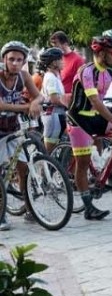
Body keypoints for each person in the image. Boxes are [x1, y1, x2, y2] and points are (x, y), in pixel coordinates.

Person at [67, 36, 112, 221]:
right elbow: (95, 101)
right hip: (79, 118)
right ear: (101, 53)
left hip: (97, 115)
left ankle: (109, 174)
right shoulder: (87, 71)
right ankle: (88, 207)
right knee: (83, 162)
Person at [0, 42, 43, 230]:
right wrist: (27, 106)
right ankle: (1, 215)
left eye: (19, 60)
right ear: (4, 60)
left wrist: (36, 103)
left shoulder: (24, 76)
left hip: (13, 127)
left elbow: (39, 96)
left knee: (23, 167)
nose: (15, 63)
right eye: (11, 59)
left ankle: (29, 207)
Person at [39, 47, 67, 154]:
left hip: (58, 115)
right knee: (49, 151)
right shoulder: (50, 77)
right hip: (52, 116)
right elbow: (54, 99)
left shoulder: (56, 77)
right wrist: (69, 104)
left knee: (56, 149)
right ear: (54, 62)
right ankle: (43, 170)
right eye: (60, 59)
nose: (63, 61)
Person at [49, 31, 85, 99]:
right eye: (52, 44)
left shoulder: (78, 60)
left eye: (56, 43)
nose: (54, 47)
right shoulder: (57, 59)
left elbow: (83, 83)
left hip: (71, 101)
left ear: (65, 44)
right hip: (58, 99)